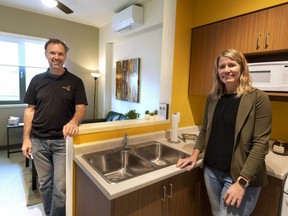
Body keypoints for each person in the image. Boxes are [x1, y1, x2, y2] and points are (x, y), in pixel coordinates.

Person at [176, 49, 272, 216]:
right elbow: (205, 130)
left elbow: (261, 145)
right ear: (217, 71)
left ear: (242, 68)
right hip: (211, 171)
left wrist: (242, 182)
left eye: (232, 65)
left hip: (239, 175)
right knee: (217, 213)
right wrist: (194, 155)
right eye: (222, 66)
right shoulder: (213, 98)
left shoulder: (258, 98)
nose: (226, 70)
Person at [21, 38, 88, 216]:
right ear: (46, 55)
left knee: (61, 187)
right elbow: (29, 110)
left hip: (62, 142)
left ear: (65, 56)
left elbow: (81, 108)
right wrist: (26, 139)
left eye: (60, 53)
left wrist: (74, 121)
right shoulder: (36, 80)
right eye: (52, 53)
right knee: (45, 184)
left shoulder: (75, 82)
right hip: (38, 141)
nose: (56, 57)